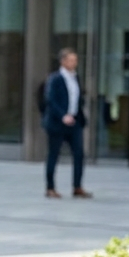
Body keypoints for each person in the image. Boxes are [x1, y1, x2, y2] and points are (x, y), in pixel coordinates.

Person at [42, 48, 92, 198]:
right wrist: (62, 115)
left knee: (79, 153)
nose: (74, 63)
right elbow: (51, 100)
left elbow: (78, 98)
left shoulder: (76, 78)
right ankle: (50, 188)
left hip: (75, 121)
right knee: (54, 154)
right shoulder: (55, 78)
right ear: (63, 61)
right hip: (57, 123)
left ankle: (77, 186)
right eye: (70, 60)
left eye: (75, 60)